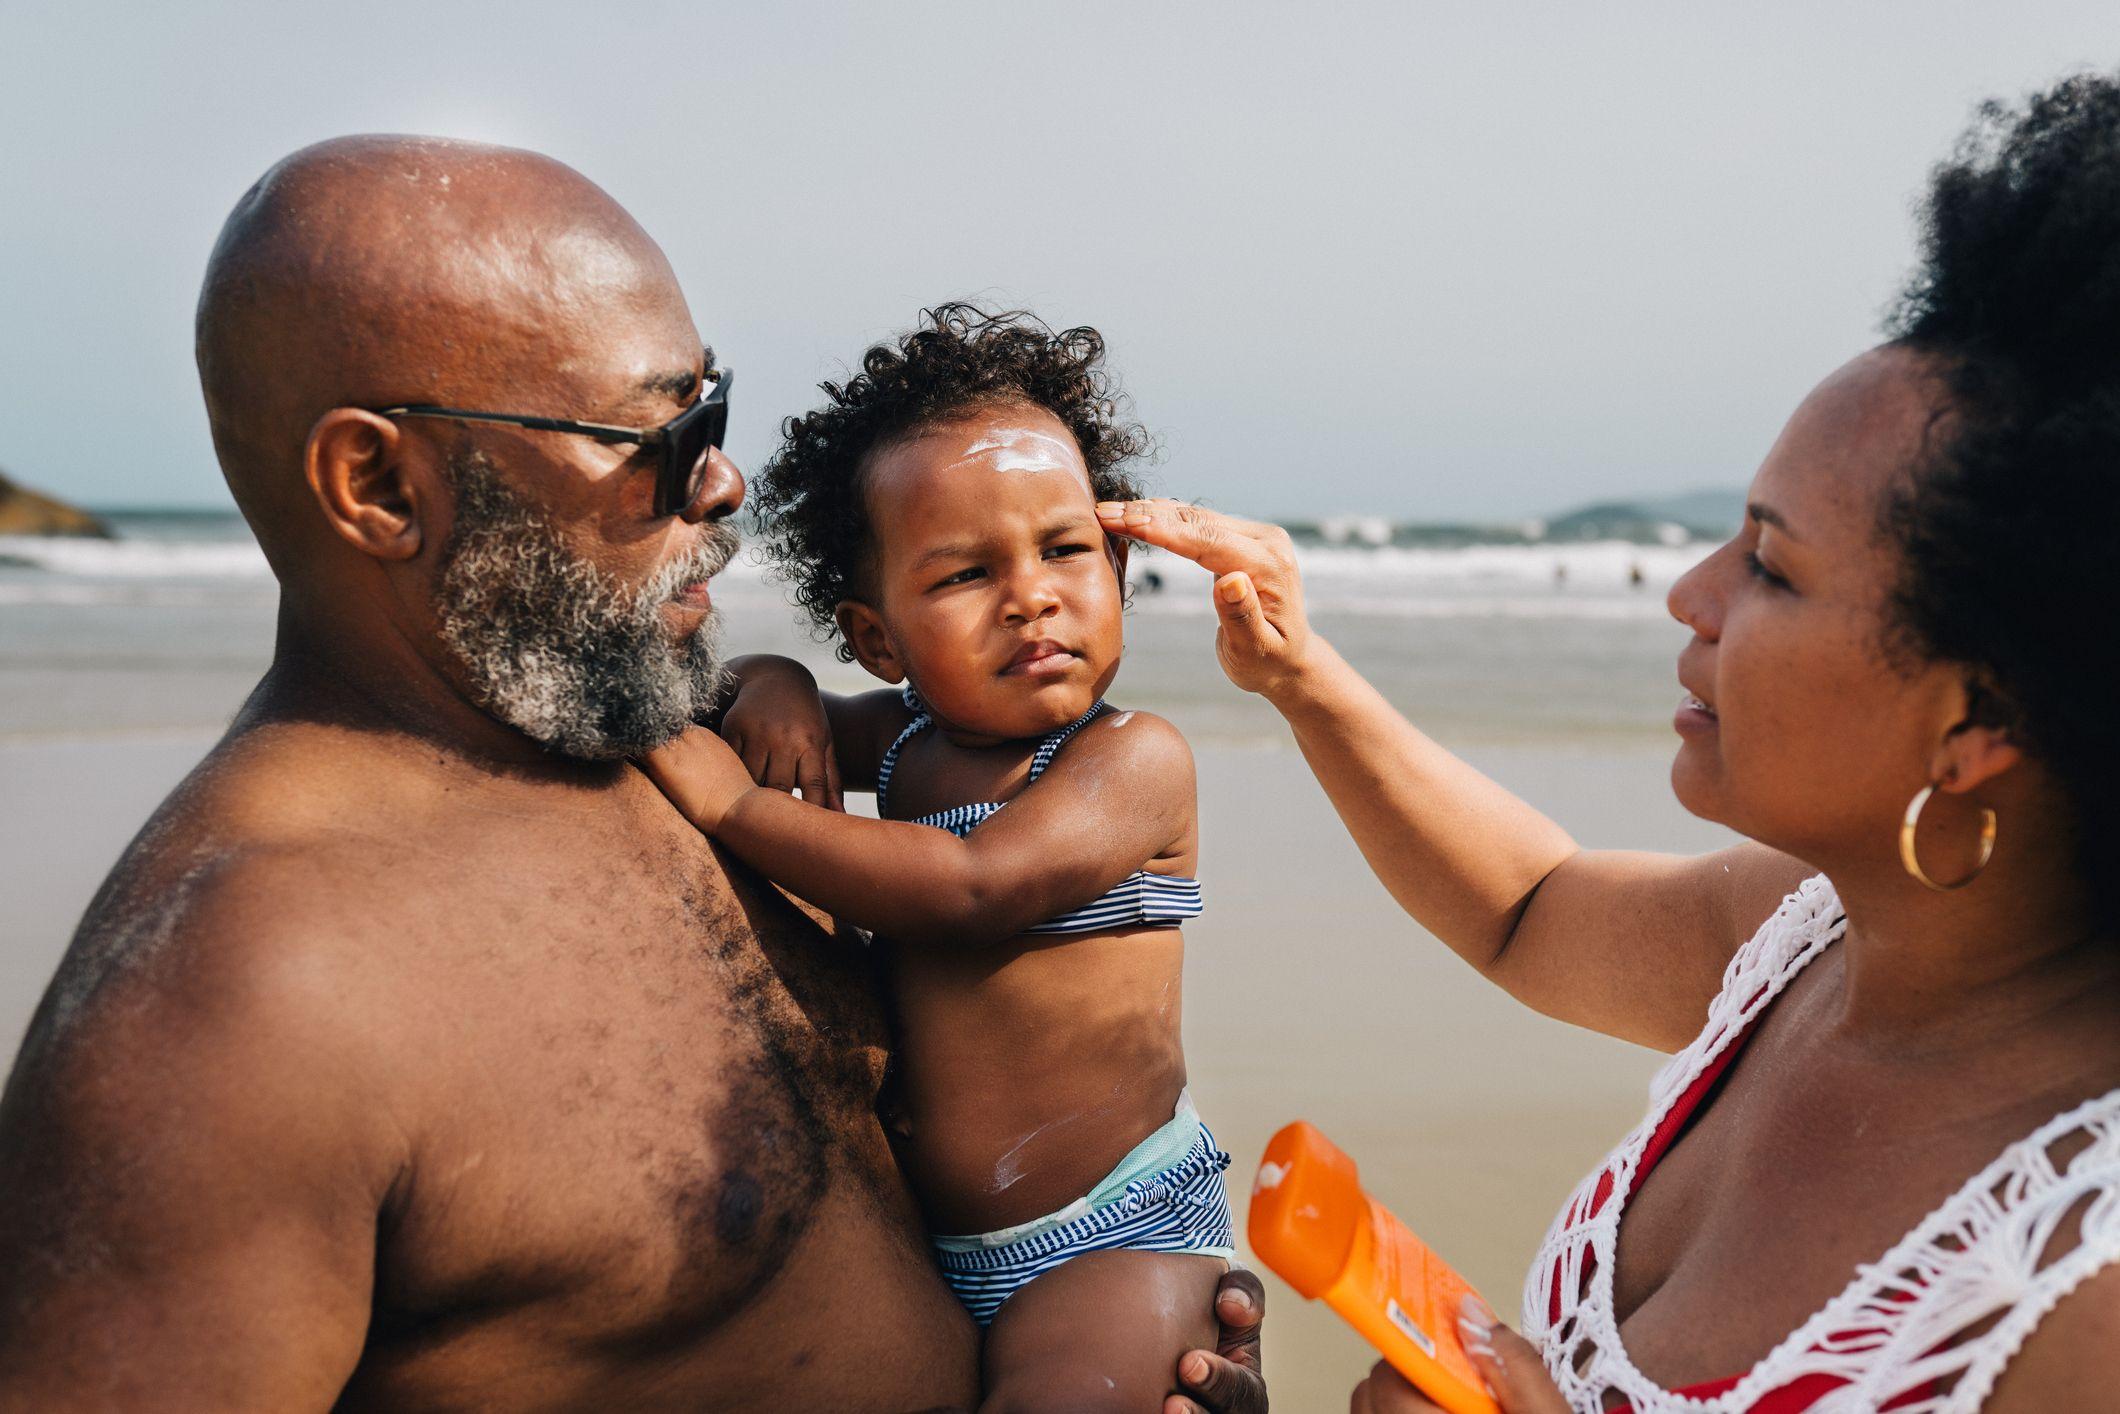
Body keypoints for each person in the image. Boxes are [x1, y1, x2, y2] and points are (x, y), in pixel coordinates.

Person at [0, 136, 1266, 1413]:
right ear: (381, 484)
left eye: (716, 408)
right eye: (667, 434)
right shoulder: (237, 1009)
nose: (723, 482)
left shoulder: (649, 731)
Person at [1101, 73, 2120, 1412]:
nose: (1688, 592)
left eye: (1771, 564)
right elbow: (1529, 904)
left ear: (1979, 720)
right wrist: (1297, 672)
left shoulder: (2081, 1274)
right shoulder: (1805, 941)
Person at [641, 307, 1233, 1409]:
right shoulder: (911, 737)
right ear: (877, 638)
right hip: (931, 1238)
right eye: (964, 575)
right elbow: (776, 705)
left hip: (1111, 1234)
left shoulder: (1126, 761)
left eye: (1065, 551)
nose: (1030, 596)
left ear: (1114, 567)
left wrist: (733, 808)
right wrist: (770, 681)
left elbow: (972, 890)